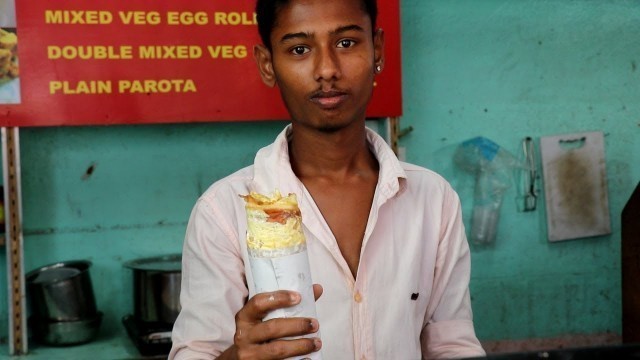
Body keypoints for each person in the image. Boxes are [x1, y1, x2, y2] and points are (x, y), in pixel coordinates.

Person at [169, 0, 486, 359]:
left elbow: (452, 345)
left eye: (347, 43)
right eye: (299, 49)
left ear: (377, 49)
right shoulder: (224, 211)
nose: (327, 69)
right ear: (268, 64)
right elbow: (194, 353)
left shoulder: (433, 199)